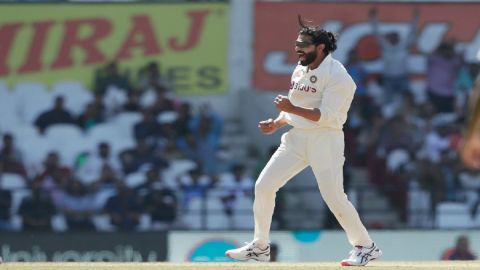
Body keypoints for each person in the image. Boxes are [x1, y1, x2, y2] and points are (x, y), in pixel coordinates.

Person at [225, 15, 382, 266]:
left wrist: (290, 109)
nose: (298, 48)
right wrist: (277, 122)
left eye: (304, 44)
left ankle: (366, 247)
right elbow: (296, 105)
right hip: (296, 138)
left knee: (334, 197)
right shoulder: (301, 67)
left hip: (325, 139)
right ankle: (260, 246)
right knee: (264, 186)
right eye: (296, 44)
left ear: (320, 48)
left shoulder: (339, 76)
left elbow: (325, 117)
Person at [369, 7, 419, 103]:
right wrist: (373, 18)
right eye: (392, 37)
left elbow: (412, 32)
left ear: (399, 38)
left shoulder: (404, 46)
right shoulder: (385, 46)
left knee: (407, 100)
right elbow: (376, 33)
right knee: (387, 101)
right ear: (389, 39)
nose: (394, 39)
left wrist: (415, 18)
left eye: (396, 37)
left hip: (402, 78)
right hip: (388, 79)